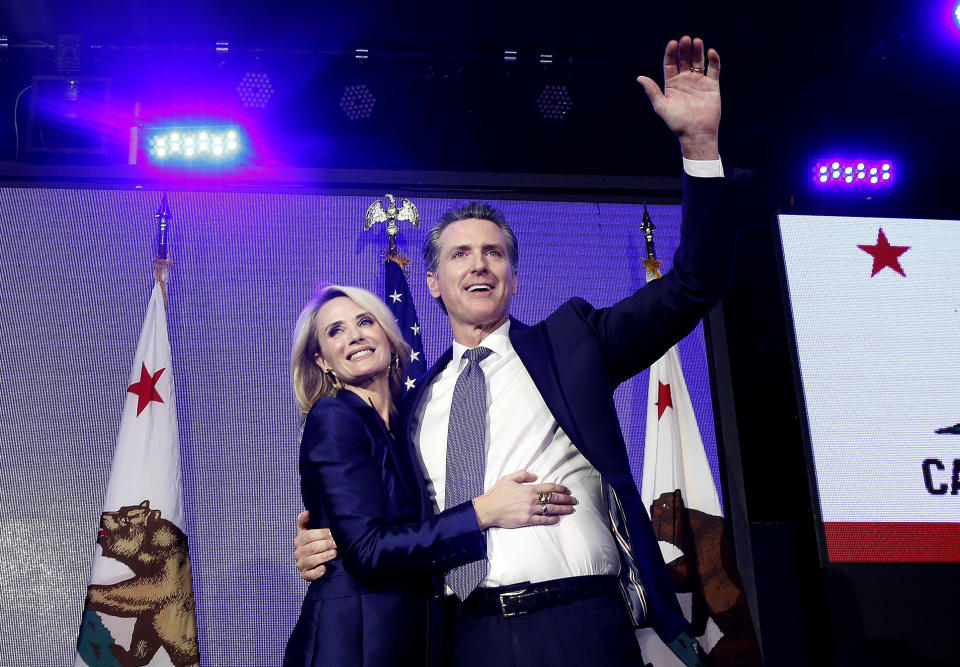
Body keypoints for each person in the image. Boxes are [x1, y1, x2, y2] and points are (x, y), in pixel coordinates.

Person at [294, 35, 743, 666]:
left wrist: (700, 149)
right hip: (459, 637)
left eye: (494, 252)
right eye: (459, 253)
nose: (479, 264)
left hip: (580, 622)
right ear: (433, 283)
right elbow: (383, 529)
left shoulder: (574, 343)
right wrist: (326, 544)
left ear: (512, 272)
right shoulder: (415, 404)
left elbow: (696, 282)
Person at [284, 285, 576, 667]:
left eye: (365, 321)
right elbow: (368, 551)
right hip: (352, 644)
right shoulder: (335, 417)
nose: (354, 335)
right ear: (322, 361)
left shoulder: (411, 421)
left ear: (389, 337)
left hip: (413, 639)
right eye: (335, 331)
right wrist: (484, 512)